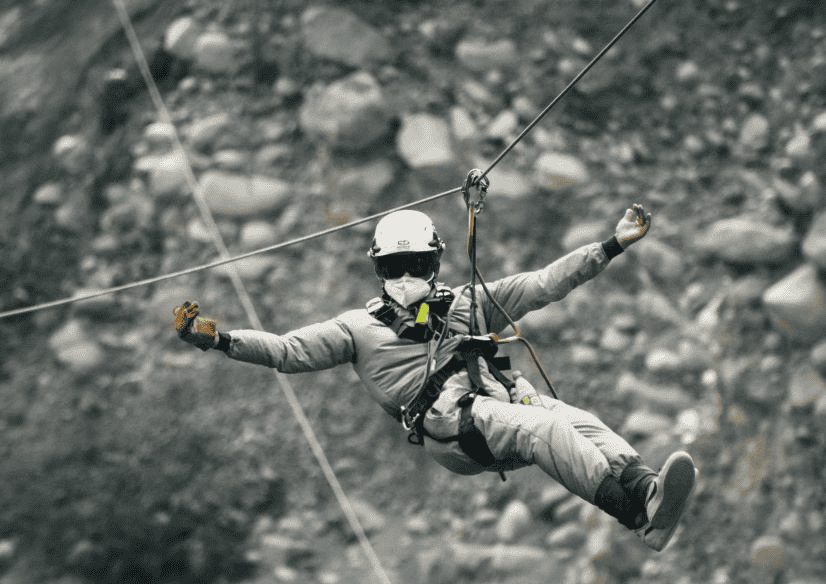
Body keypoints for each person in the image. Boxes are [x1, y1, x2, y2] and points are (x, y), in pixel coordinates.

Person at [174, 205, 697, 551]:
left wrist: (610, 245)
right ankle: (636, 518)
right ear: (379, 271)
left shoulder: (470, 303)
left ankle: (649, 491)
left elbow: (543, 285)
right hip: (453, 429)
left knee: (579, 421)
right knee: (545, 431)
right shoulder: (356, 330)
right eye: (394, 268)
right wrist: (219, 340)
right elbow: (288, 350)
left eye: (416, 264)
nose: (405, 279)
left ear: (435, 261)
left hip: (501, 403)